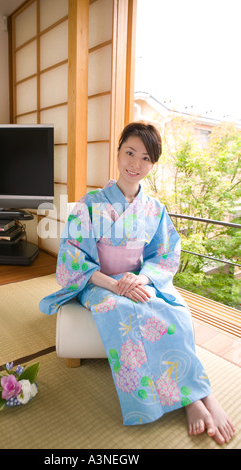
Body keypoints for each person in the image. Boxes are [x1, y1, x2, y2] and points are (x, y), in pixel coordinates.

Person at [40, 122, 235, 445]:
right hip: (99, 281)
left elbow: (166, 253)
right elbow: (72, 257)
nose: (135, 164)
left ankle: (201, 395)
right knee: (127, 314)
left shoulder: (155, 209)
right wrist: (114, 285)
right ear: (117, 152)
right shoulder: (90, 204)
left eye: (145, 158)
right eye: (130, 153)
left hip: (136, 278)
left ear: (153, 165)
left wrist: (141, 278)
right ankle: (191, 399)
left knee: (175, 312)